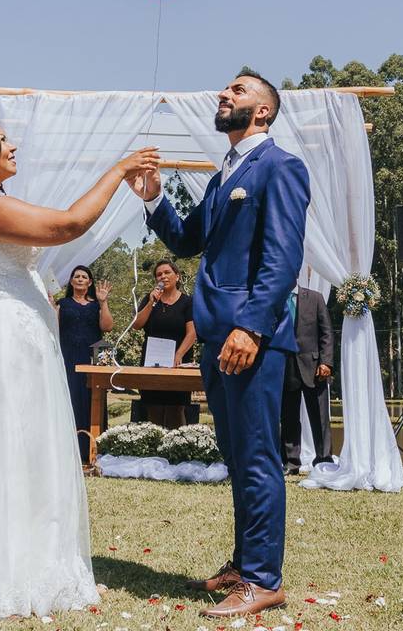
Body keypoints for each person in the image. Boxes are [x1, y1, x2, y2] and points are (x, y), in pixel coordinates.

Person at [0, 115, 158, 624]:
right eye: (3, 142)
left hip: (16, 334)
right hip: (0, 340)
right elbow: (67, 226)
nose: (13, 146)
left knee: (23, 448)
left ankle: (29, 560)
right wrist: (120, 169)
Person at [128, 71, 309, 617]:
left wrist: (251, 327)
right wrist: (156, 198)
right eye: (225, 89)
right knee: (235, 454)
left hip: (248, 339)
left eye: (239, 90)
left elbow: (282, 258)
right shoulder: (223, 174)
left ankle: (262, 580)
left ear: (263, 112)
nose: (224, 95)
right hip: (215, 339)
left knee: (257, 457)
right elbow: (188, 240)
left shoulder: (280, 167)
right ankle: (243, 561)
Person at [57, 265, 113, 463]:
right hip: (67, 356)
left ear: (89, 282)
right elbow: (52, 329)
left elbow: (107, 328)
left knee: (94, 400)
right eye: (76, 276)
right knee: (70, 400)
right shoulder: (61, 304)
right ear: (71, 281)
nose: (80, 279)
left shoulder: (97, 305)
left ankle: (95, 449)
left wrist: (103, 302)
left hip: (96, 355)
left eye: (84, 277)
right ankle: (69, 452)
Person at [131, 259, 197, 428]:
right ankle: (155, 452)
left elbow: (192, 333)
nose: (163, 276)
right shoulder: (149, 299)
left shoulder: (188, 302)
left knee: (176, 410)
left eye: (167, 272)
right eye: (159, 274)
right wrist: (152, 303)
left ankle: (176, 450)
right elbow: (137, 325)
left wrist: (178, 355)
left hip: (178, 362)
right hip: (152, 362)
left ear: (177, 276)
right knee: (153, 409)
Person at [279, 286, 334, 475]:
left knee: (319, 417)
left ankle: (324, 460)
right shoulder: (275, 298)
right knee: (288, 418)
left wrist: (326, 362)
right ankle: (291, 463)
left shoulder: (315, 298)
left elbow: (327, 332)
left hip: (315, 368)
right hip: (285, 367)